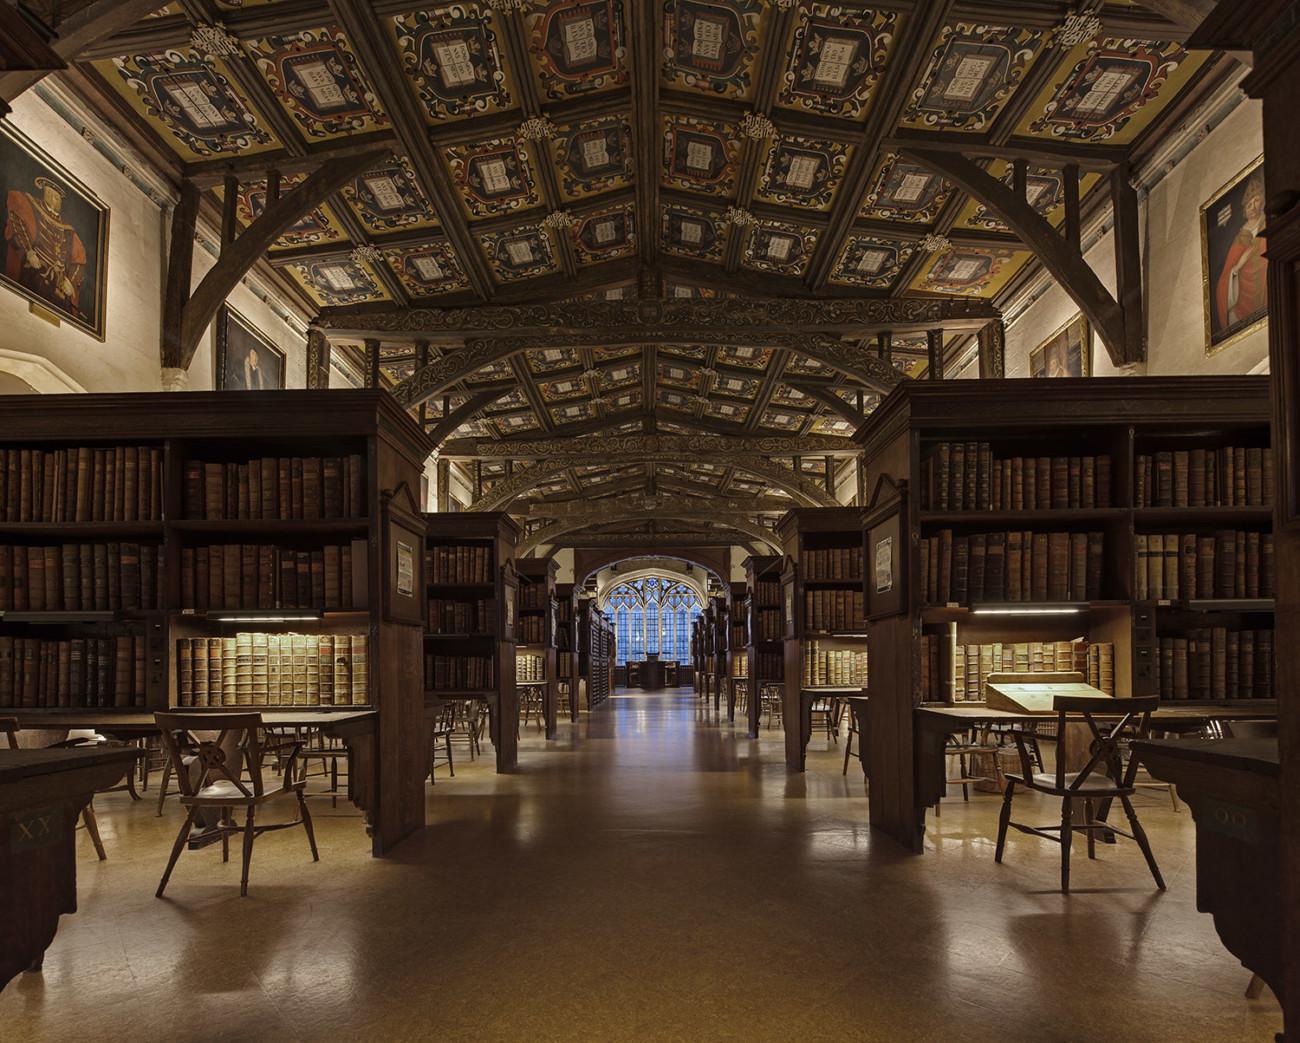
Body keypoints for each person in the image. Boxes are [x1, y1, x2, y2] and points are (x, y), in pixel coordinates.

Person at [4, 175, 87, 318]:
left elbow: (79, 259)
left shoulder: (67, 230)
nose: (53, 197)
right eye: (49, 193)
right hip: (34, 272)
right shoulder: (31, 205)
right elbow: (17, 220)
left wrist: (71, 283)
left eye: (56, 196)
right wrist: (29, 252)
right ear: (44, 193)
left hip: (58, 285)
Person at [1215, 170, 1267, 334]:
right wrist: (1237, 268)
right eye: (1249, 204)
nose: (1252, 207)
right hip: (1243, 293)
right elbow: (1226, 276)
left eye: (1256, 200)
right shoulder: (1241, 235)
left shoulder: (1267, 223)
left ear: (1263, 202)